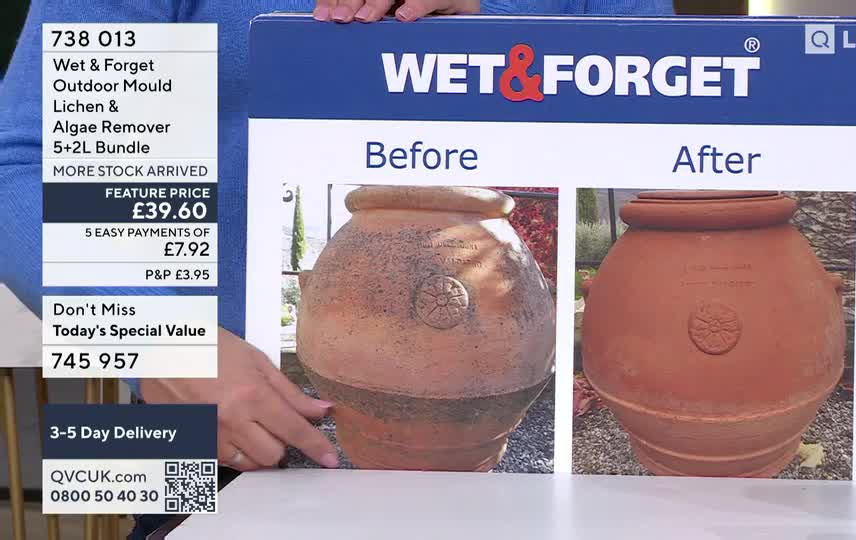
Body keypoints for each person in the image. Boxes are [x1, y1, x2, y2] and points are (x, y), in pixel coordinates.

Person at [0, 0, 673, 537]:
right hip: (209, 444)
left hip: (533, 494)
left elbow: (679, 134)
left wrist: (504, 40)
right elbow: (26, 166)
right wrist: (158, 342)